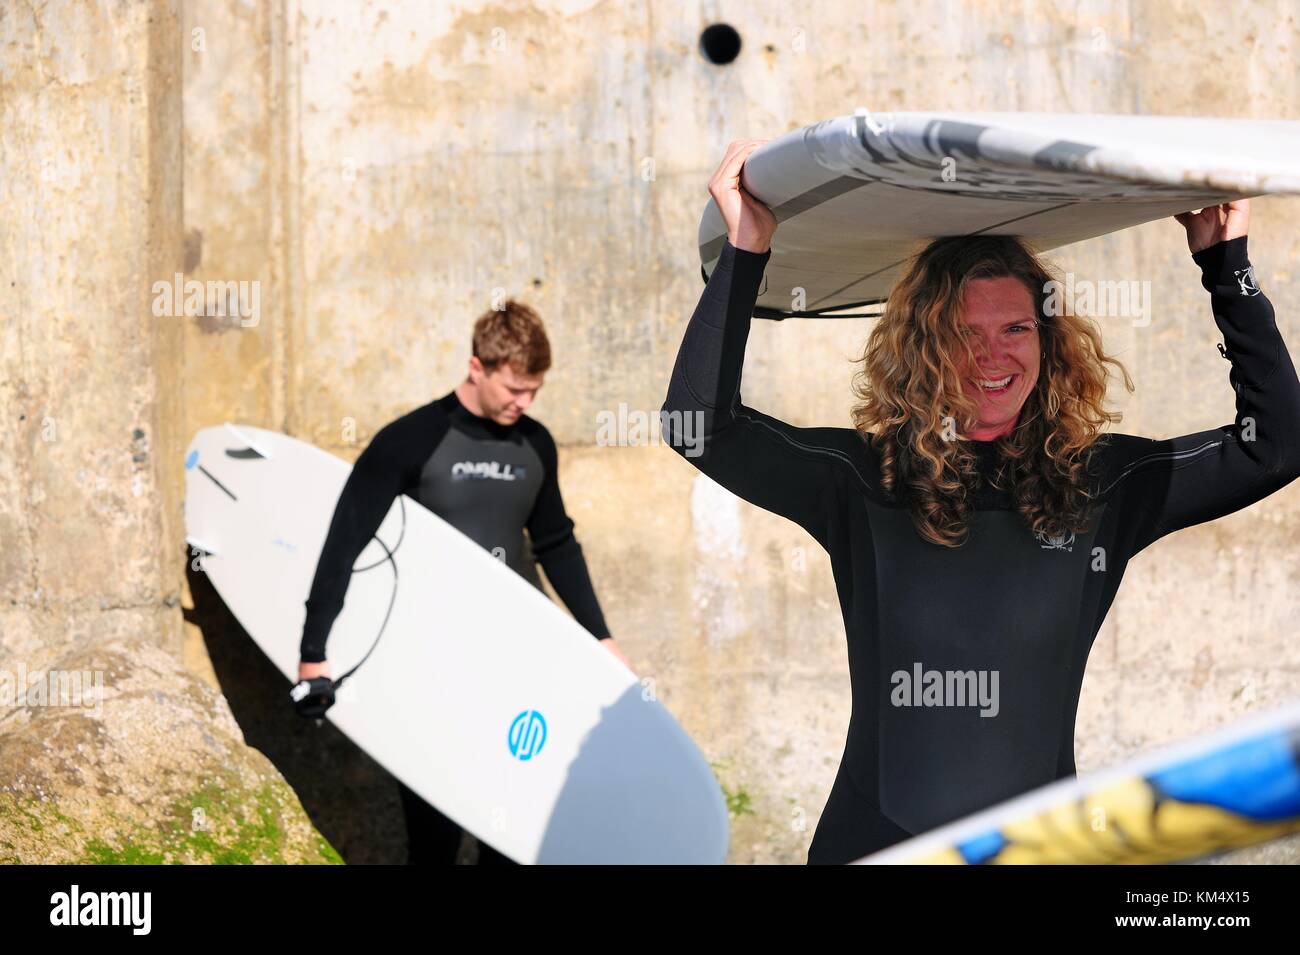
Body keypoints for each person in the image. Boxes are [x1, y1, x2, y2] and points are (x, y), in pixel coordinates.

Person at [662, 140, 1300, 864]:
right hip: (876, 847)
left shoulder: (1104, 484)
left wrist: (1226, 265)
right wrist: (747, 251)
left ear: (1049, 341)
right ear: (922, 347)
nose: (992, 357)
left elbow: (1275, 445)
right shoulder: (863, 477)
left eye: (1015, 329)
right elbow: (698, 428)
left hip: (1043, 852)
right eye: (963, 335)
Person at [297, 299, 630, 865]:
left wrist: (600, 637)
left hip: (519, 665)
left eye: (534, 392)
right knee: (435, 836)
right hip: (434, 665)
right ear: (477, 367)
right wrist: (314, 651)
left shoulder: (536, 444)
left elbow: (556, 543)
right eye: (514, 389)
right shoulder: (409, 440)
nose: (523, 404)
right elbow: (345, 544)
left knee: (515, 829)